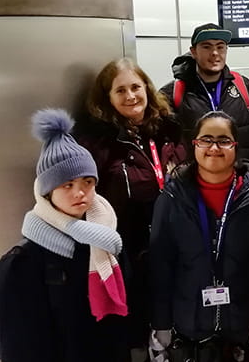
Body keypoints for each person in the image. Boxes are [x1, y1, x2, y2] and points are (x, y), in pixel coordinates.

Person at [0, 109, 130, 362]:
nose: (80, 192)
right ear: (47, 192)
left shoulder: (105, 241)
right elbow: (20, 348)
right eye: (68, 185)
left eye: (87, 182)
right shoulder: (23, 263)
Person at [150, 111, 249, 361]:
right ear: (194, 145)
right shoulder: (171, 198)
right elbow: (160, 266)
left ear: (236, 146)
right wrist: (161, 324)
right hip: (188, 324)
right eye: (206, 139)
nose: (214, 147)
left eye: (223, 140)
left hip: (245, 326)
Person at [76, 57, 186, 356]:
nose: (131, 96)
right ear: (107, 98)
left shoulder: (169, 129)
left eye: (136, 87)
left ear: (147, 89)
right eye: (120, 90)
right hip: (127, 253)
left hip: (174, 244)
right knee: (134, 334)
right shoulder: (96, 143)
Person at [161, 23, 249, 183]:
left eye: (220, 46)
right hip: (195, 190)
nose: (215, 53)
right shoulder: (174, 94)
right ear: (194, 52)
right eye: (207, 47)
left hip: (244, 188)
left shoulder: (244, 87)